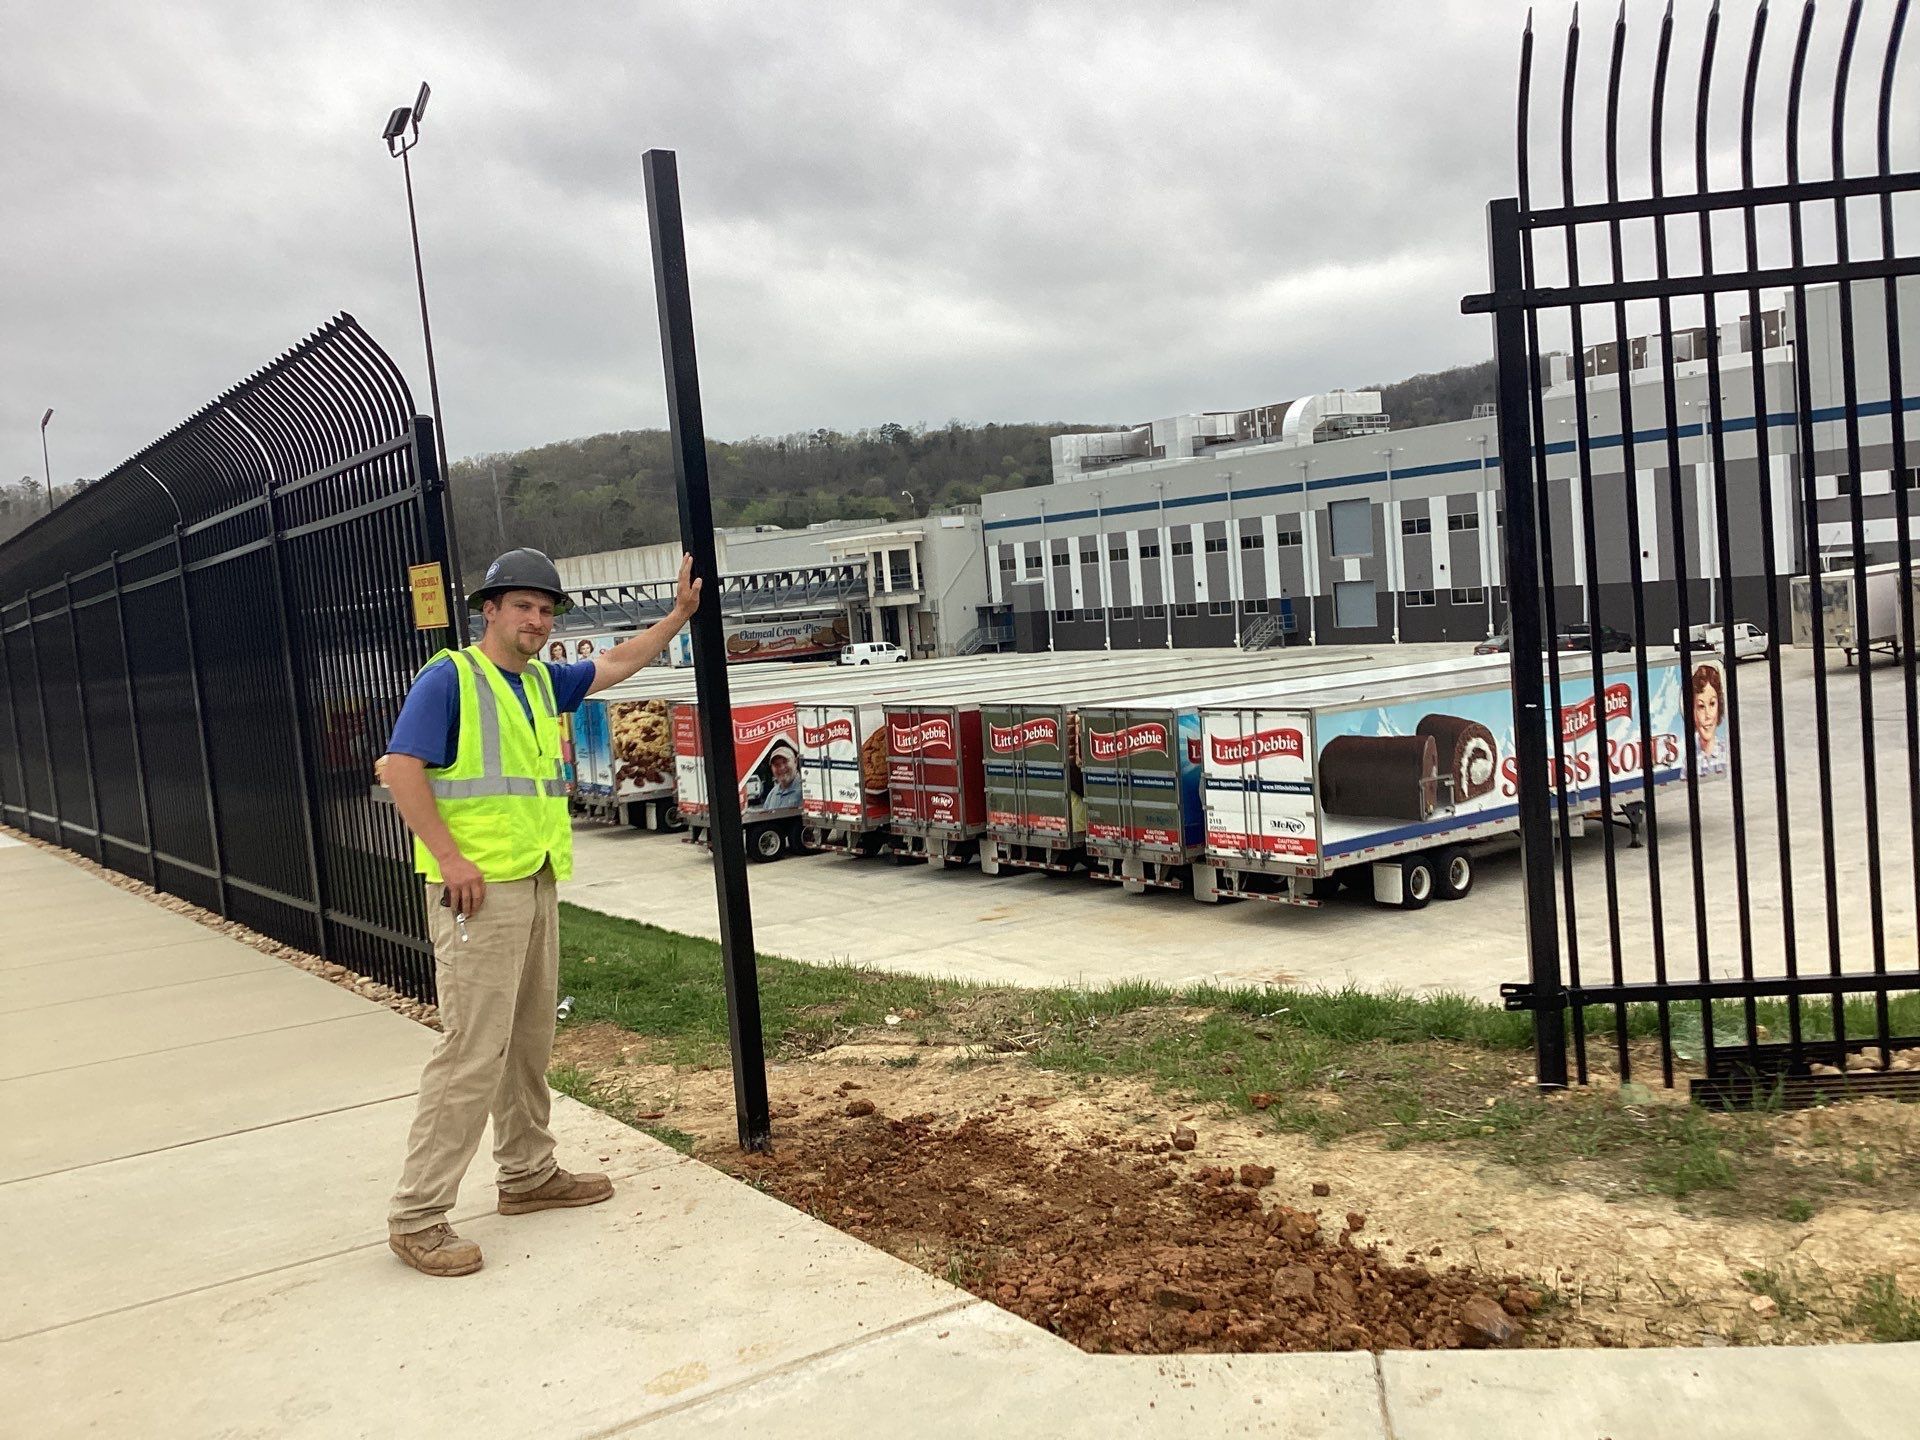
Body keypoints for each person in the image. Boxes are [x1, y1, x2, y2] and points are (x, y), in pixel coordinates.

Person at [381, 547, 700, 1277]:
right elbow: (401, 769)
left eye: (547, 609)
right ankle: (418, 1215)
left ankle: (527, 1174)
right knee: (471, 1050)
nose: (537, 619)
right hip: (476, 891)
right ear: (488, 610)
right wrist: (451, 858)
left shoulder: (536, 684)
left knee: (526, 1041)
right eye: (523, 605)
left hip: (535, 881)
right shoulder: (450, 679)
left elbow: (616, 664)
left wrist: (677, 617)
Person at [1691, 662, 1726, 766]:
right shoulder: (1685, 756)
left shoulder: (1725, 752)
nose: (1708, 715)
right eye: (1701, 706)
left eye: (1712, 704)